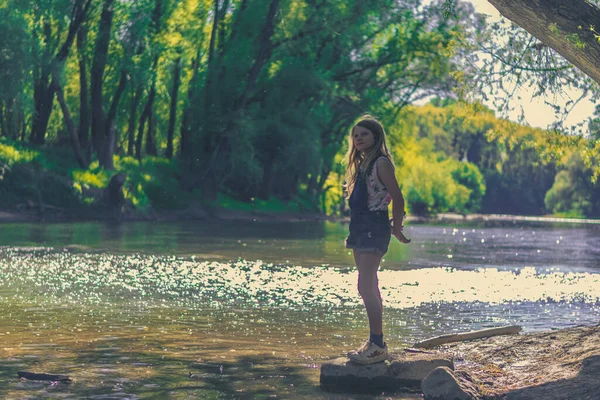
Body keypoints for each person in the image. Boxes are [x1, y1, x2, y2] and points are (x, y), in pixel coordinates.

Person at [343, 115, 411, 365]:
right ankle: (376, 342)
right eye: (356, 135)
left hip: (374, 226)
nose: (359, 139)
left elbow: (398, 198)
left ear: (376, 137)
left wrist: (397, 227)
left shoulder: (381, 163)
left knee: (365, 285)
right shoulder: (360, 165)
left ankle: (378, 344)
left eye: (364, 134)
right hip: (359, 226)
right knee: (369, 285)